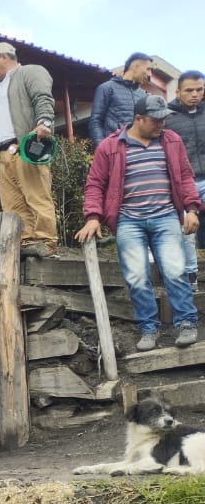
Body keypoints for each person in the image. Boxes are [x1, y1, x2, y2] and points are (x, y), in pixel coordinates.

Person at [75, 95, 202, 350]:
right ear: (138, 119)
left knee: (175, 271)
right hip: (129, 221)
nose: (161, 124)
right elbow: (95, 184)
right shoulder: (110, 146)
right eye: (155, 120)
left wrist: (191, 208)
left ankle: (186, 324)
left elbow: (186, 176)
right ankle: (148, 329)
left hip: (166, 216)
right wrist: (92, 217)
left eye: (163, 119)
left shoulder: (171, 141)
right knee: (136, 276)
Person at [0, 42, 58, 251]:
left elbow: (43, 98)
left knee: (36, 196)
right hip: (2, 153)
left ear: (4, 57)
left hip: (25, 147)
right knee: (12, 205)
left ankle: (46, 242)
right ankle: (26, 242)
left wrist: (44, 122)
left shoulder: (29, 72)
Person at [165, 70, 205, 288]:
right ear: (178, 91)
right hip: (181, 182)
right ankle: (191, 278)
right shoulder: (167, 117)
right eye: (189, 90)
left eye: (200, 89)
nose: (195, 94)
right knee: (186, 229)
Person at [90, 53, 153, 143]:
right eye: (148, 69)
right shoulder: (107, 88)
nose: (150, 74)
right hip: (114, 149)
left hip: (137, 151)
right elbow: (96, 121)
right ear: (136, 67)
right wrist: (101, 148)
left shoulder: (142, 94)